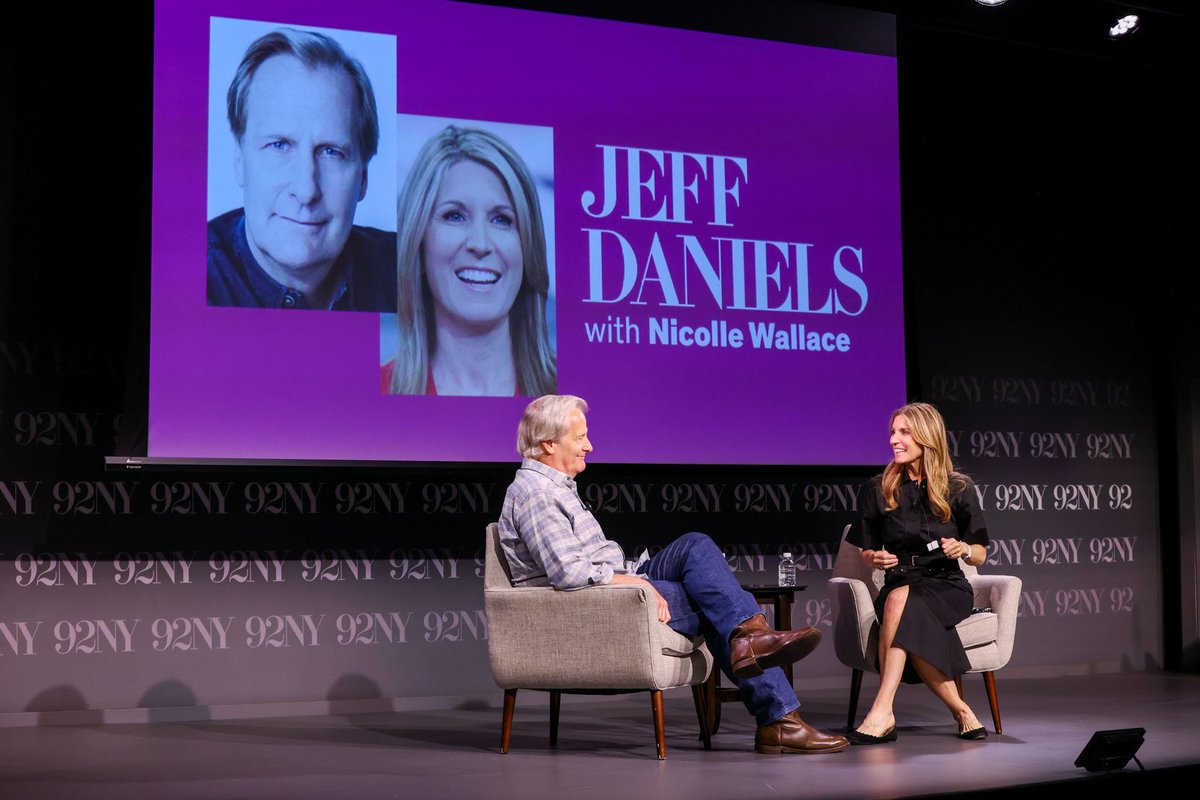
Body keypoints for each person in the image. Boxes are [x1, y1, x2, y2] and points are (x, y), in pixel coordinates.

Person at [497, 394, 849, 754]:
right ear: (548, 443)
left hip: (617, 583)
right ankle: (779, 716)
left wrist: (635, 577)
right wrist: (638, 584)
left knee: (695, 545)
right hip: (595, 604)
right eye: (579, 438)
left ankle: (751, 637)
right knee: (714, 605)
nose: (589, 445)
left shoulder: (555, 488)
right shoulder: (536, 494)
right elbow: (570, 574)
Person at [207, 28, 397, 312]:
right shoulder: (184, 276)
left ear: (363, 177)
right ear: (239, 159)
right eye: (279, 145)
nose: (306, 191)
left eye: (331, 152)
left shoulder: (409, 272)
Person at [845, 402, 991, 744]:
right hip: (901, 580)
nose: (894, 439)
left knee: (899, 604)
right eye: (893, 432)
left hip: (947, 585)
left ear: (927, 438)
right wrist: (874, 558)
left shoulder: (959, 488)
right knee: (899, 600)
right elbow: (866, 549)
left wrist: (964, 550)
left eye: (904, 432)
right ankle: (961, 710)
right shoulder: (879, 487)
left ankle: (883, 710)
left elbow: (980, 553)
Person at [383, 126, 555, 396]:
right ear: (419, 243)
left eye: (502, 220)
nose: (480, 244)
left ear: (527, 249)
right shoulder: (377, 390)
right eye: (454, 216)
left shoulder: (572, 398)